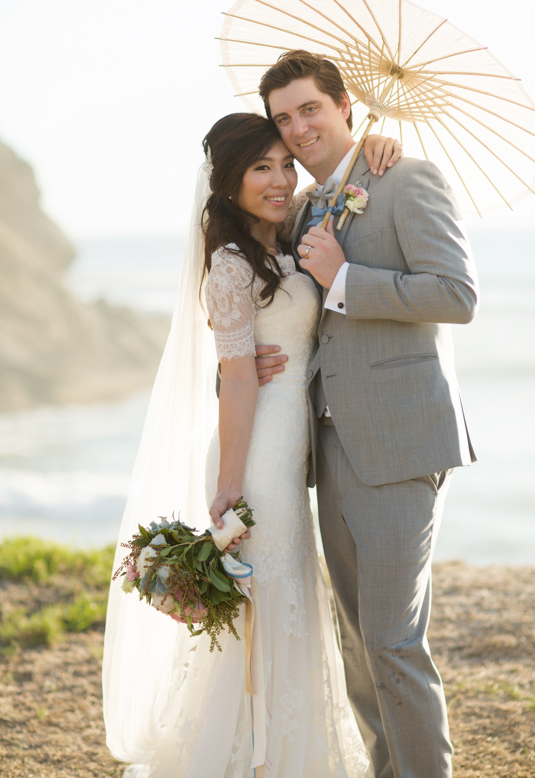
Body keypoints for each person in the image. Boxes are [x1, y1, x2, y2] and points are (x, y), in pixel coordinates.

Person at [102, 110, 402, 777]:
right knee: (263, 601)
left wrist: (378, 141)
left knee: (282, 594)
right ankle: (253, 756)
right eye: (259, 168)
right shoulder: (232, 264)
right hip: (257, 455)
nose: (279, 178)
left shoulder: (281, 232)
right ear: (227, 183)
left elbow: (337, 177)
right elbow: (237, 379)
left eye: (283, 163)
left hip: (289, 447)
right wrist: (229, 486)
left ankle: (276, 748)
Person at [252, 50, 479, 778]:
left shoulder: (407, 177)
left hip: (400, 438)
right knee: (357, 642)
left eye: (309, 109)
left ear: (344, 104)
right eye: (283, 119)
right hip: (328, 444)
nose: (297, 128)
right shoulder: (308, 207)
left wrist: (345, 278)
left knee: (390, 642)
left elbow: (455, 295)